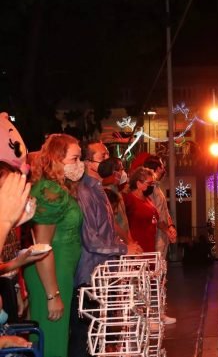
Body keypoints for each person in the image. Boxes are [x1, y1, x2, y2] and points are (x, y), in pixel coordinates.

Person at [69, 140, 136, 357]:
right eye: (103, 156)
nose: (109, 160)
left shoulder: (99, 190)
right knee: (85, 338)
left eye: (108, 154)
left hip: (103, 275)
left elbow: (108, 231)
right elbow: (91, 240)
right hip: (89, 277)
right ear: (88, 163)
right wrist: (124, 249)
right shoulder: (84, 192)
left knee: (98, 336)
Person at [23, 133, 84, 357]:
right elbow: (42, 246)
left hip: (59, 272)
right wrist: (52, 294)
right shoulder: (50, 192)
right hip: (50, 275)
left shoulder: (59, 188)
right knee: (52, 342)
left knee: (57, 339)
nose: (79, 165)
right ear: (57, 159)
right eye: (74, 159)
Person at [142, 156, 177, 325]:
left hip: (161, 238)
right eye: (162, 166)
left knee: (160, 276)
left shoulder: (157, 187)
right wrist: (167, 229)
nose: (164, 169)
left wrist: (171, 226)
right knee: (153, 276)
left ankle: (159, 313)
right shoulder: (150, 189)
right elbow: (154, 214)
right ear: (156, 168)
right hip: (154, 238)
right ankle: (153, 315)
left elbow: (164, 211)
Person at [123, 167, 160, 253]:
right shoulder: (129, 199)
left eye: (153, 183)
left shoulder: (148, 199)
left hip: (150, 246)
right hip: (138, 248)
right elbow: (122, 224)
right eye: (149, 183)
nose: (152, 186)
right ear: (138, 184)